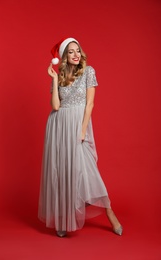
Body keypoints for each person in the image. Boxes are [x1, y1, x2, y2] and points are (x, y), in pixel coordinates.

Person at [38, 37, 123, 237]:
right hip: (58, 127)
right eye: (71, 52)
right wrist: (54, 79)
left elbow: (90, 104)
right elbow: (56, 106)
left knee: (87, 172)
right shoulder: (59, 75)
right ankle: (62, 219)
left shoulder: (88, 72)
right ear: (64, 57)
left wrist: (83, 131)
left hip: (78, 126)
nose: (76, 55)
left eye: (78, 50)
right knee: (62, 172)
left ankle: (110, 214)